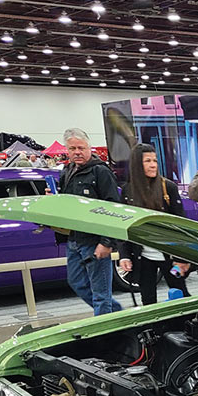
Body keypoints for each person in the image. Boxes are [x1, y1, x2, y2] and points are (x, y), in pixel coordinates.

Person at [57, 127, 123, 315]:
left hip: (95, 241)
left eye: (81, 147)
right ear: (67, 150)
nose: (77, 152)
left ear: (89, 148)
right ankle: (120, 314)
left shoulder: (100, 172)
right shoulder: (67, 171)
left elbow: (113, 208)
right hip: (74, 240)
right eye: (72, 149)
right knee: (77, 283)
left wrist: (106, 242)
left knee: (101, 294)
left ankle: (106, 336)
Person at [118, 143, 190, 305]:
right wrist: (124, 254)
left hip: (170, 254)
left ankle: (187, 323)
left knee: (180, 292)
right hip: (143, 255)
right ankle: (155, 329)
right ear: (137, 164)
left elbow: (181, 223)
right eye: (147, 161)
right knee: (148, 297)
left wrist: (182, 257)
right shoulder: (128, 191)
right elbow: (124, 224)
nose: (153, 165)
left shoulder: (168, 187)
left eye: (155, 160)